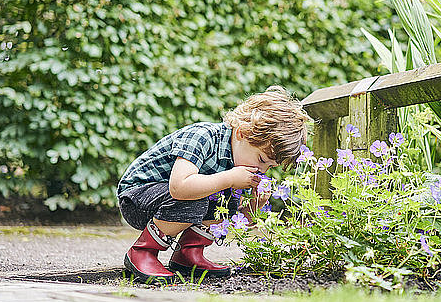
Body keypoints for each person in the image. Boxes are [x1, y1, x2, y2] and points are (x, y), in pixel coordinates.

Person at [116, 86, 311, 283]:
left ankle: (188, 254)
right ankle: (143, 251)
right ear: (242, 133)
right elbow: (180, 187)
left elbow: (233, 219)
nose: (262, 170)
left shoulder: (238, 164)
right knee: (199, 197)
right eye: (262, 159)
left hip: (169, 203)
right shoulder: (202, 136)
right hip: (137, 198)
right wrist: (229, 179)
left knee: (226, 200)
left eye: (270, 166)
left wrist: (255, 205)